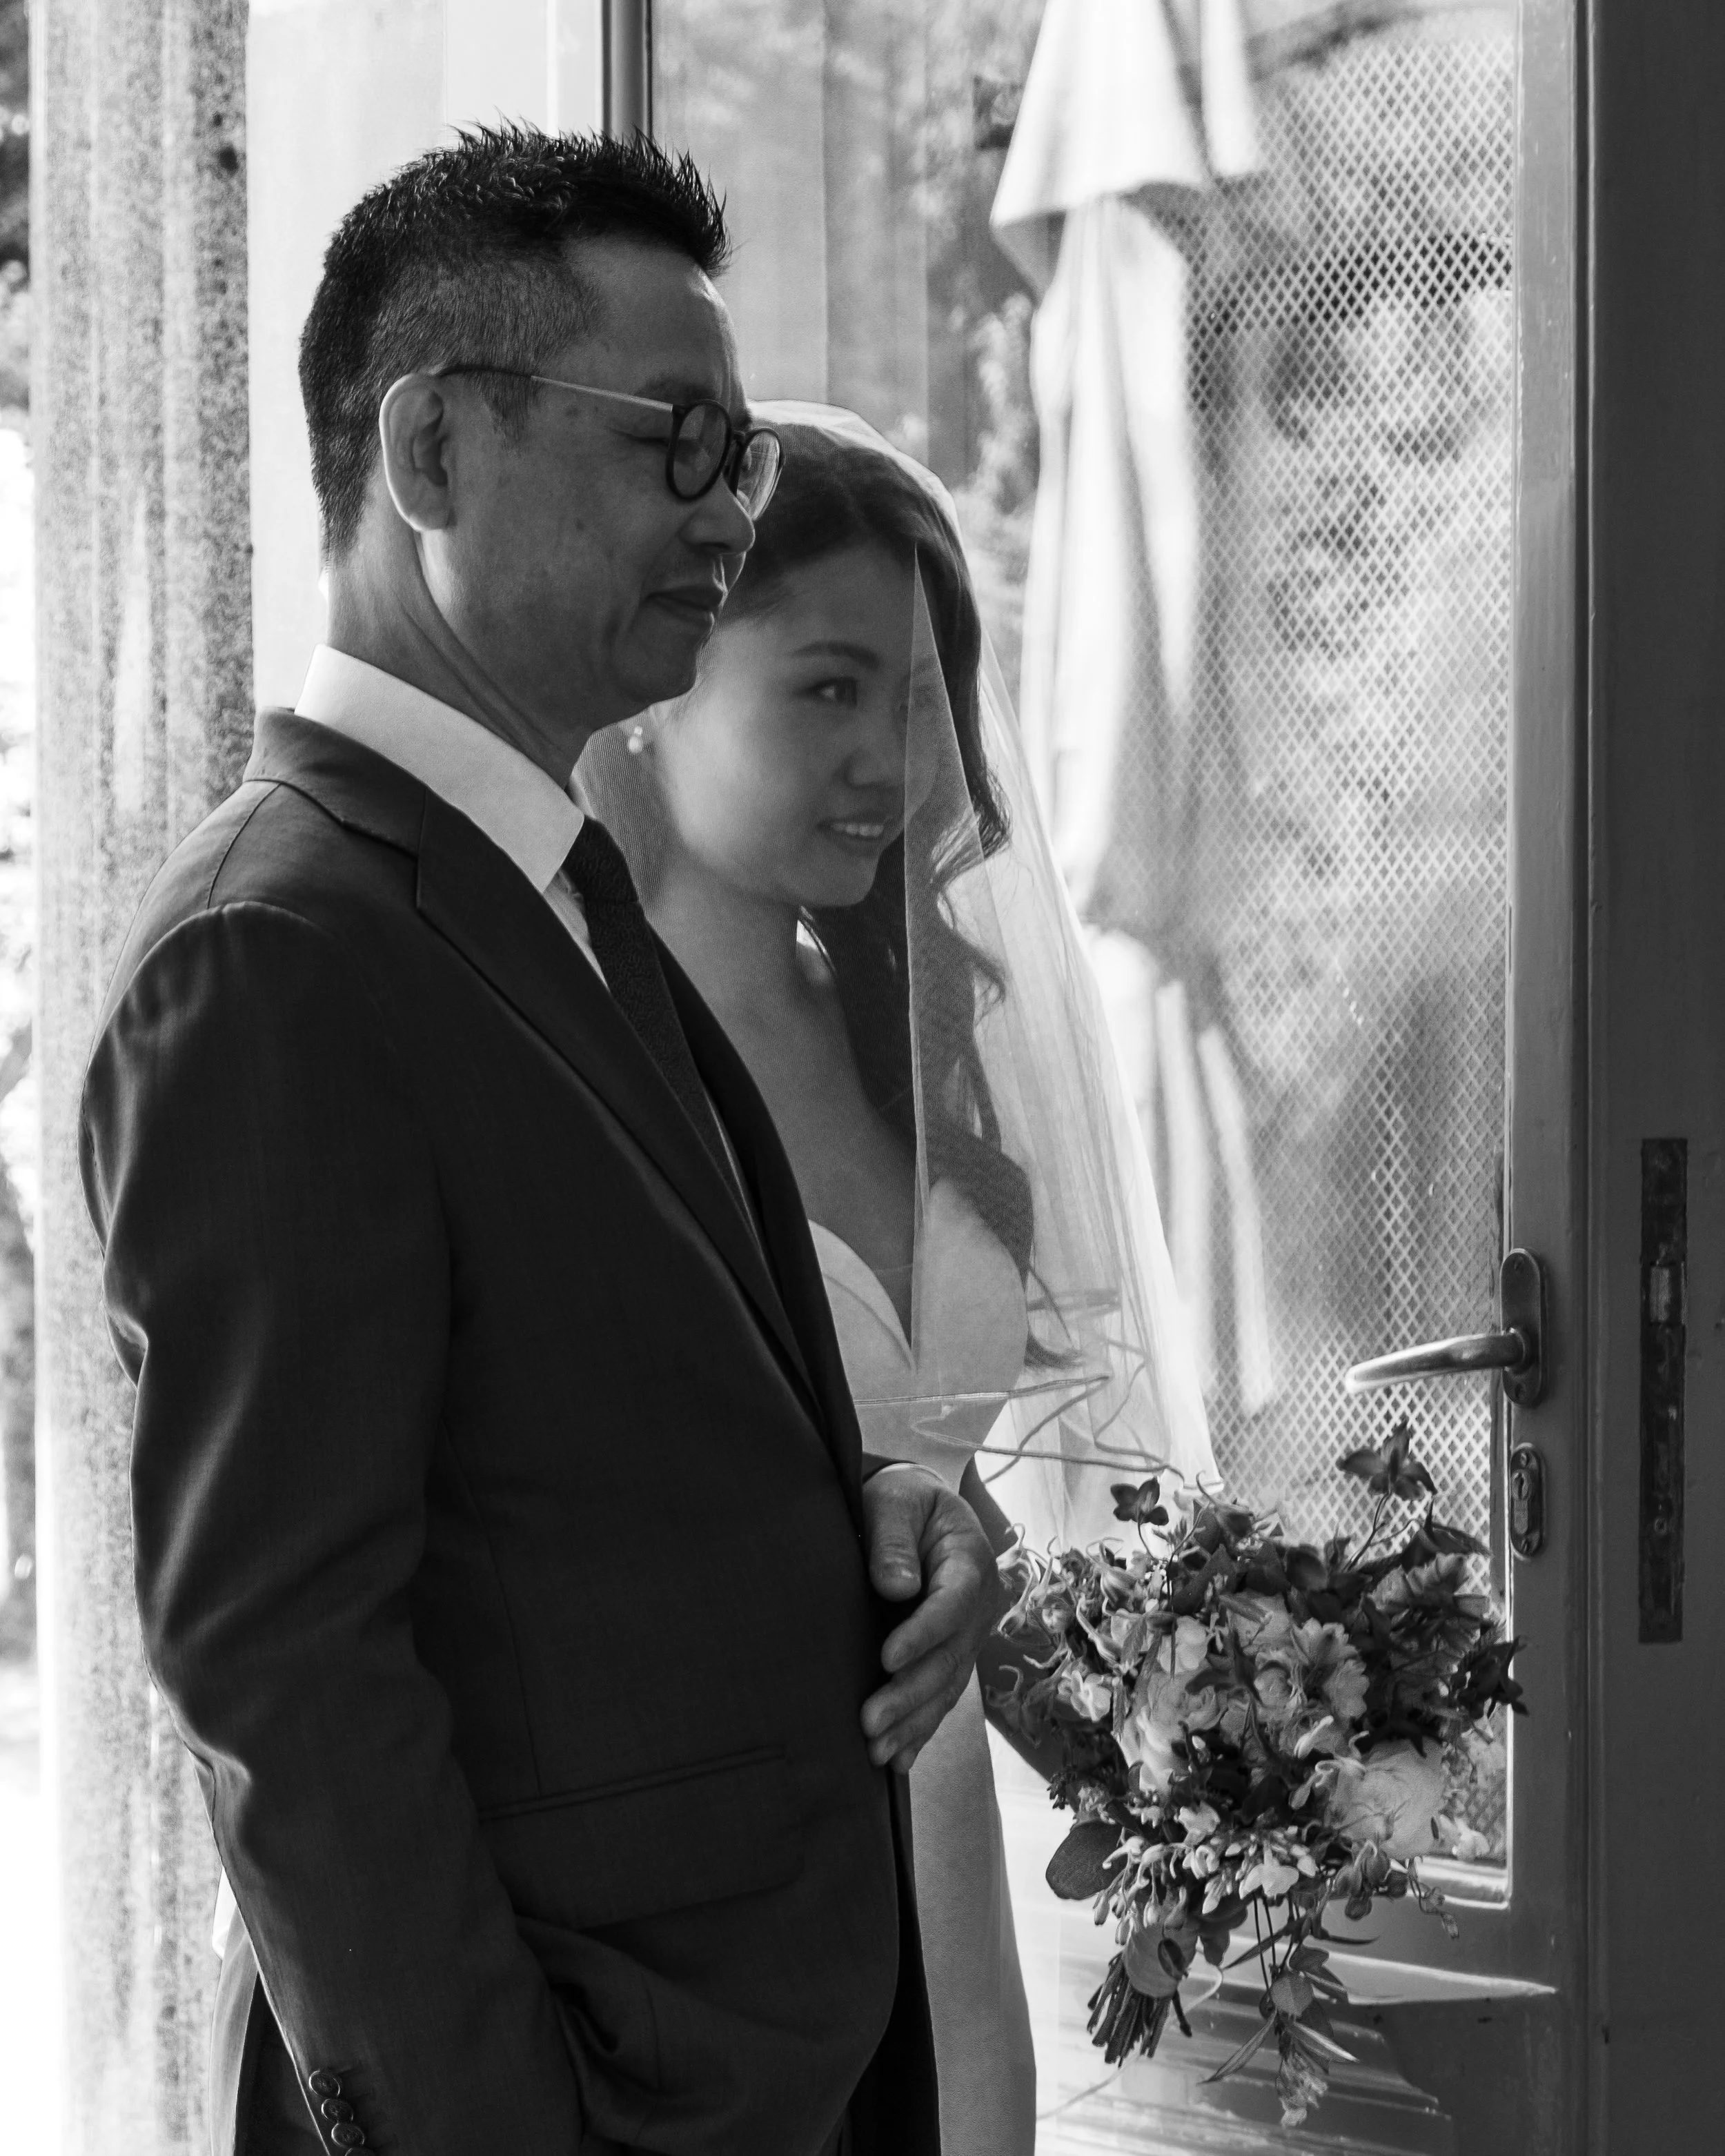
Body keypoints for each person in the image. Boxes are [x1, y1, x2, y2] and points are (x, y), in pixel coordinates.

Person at [79, 132, 1000, 2156]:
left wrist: (872, 1513)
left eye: (744, 453)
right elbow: (285, 1674)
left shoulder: (555, 889)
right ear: (432, 448)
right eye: (678, 440)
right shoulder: (272, 952)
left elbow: (574, 1437)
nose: (728, 509)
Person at [577, 408, 1216, 2156]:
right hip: (708, 1908)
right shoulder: (579, 1058)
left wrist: (1190, 1742)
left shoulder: (911, 1050)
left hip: (941, 1872)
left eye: (920, 700)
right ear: (655, 689)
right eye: (826, 689)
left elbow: (930, 1504)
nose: (889, 760)